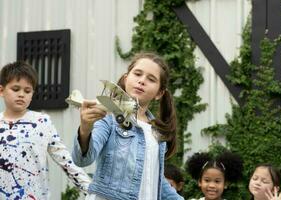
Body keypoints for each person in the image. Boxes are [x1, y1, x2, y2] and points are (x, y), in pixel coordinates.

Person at [72, 52, 183, 200]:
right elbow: (82, 160)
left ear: (159, 93)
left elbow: (153, 178)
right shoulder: (109, 119)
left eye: (151, 79)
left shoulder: (157, 132)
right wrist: (85, 129)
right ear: (126, 79)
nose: (142, 81)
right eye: (137, 74)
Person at [0, 61, 91, 199]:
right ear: (2, 91)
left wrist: (93, 191)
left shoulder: (42, 122)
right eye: (15, 89)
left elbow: (65, 160)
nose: (21, 94)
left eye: (27, 91)